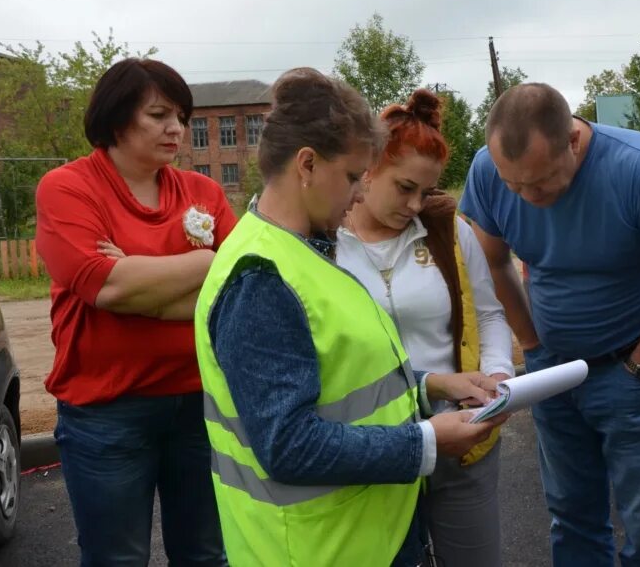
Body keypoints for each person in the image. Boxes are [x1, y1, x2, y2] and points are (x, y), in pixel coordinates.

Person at [193, 68, 508, 567]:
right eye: (350, 177)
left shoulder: (306, 252)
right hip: (316, 548)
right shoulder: (260, 277)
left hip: (363, 536)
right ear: (307, 165)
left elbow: (346, 378)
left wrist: (432, 388)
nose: (359, 195)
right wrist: (427, 440)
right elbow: (289, 445)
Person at [459, 83, 640, 566]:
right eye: (513, 184)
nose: (526, 197)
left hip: (632, 370)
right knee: (572, 519)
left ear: (573, 141)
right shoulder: (488, 171)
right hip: (552, 375)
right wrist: (532, 346)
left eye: (539, 182)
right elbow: (494, 264)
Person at [34, 58, 237, 566]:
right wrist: (203, 264)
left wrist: (169, 272)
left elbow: (237, 290)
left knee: (207, 555)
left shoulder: (202, 192)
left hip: (199, 404)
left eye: (181, 117)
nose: (177, 128)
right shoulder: (68, 187)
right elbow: (105, 288)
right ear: (117, 117)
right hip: (107, 410)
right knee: (115, 558)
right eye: (159, 114)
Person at [336, 88, 515, 567]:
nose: (416, 204)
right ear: (368, 168)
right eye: (404, 187)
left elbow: (490, 314)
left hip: (461, 437)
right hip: (372, 447)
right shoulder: (326, 238)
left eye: (427, 190)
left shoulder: (448, 230)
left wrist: (498, 376)